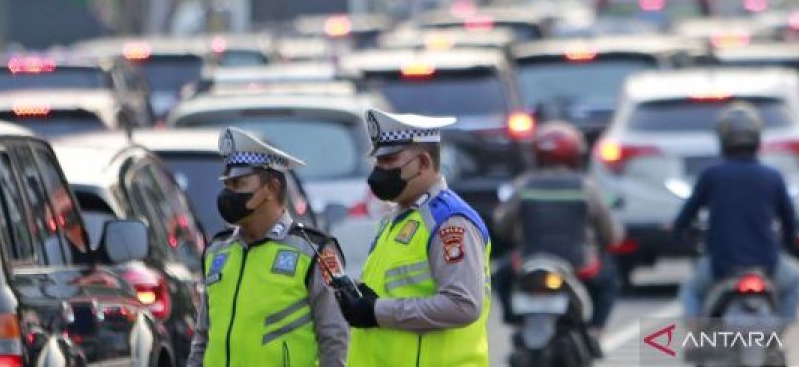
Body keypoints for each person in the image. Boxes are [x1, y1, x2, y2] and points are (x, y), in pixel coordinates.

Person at [338, 110, 491, 366]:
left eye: (389, 161)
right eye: (378, 162)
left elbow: (463, 305)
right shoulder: (399, 218)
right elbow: (398, 288)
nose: (379, 171)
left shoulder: (448, 222)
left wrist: (376, 311)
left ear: (422, 162)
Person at [186, 128, 348, 367]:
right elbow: (203, 337)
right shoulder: (217, 250)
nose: (228, 194)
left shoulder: (313, 250)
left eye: (239, 184)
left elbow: (334, 338)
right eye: (227, 184)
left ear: (271, 188)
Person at [493, 121, 622, 349]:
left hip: (528, 264)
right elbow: (611, 234)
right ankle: (595, 330)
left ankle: (514, 320)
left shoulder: (524, 185)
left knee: (500, 276)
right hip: (579, 266)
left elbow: (502, 226)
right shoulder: (585, 187)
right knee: (610, 281)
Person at [673, 102, 799, 321]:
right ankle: (779, 330)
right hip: (767, 263)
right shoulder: (772, 176)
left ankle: (697, 335)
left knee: (691, 292)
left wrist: (679, 235)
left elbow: (686, 216)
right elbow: (790, 222)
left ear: (723, 138)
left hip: (722, 265)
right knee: (795, 284)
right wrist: (791, 246)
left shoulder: (712, 175)